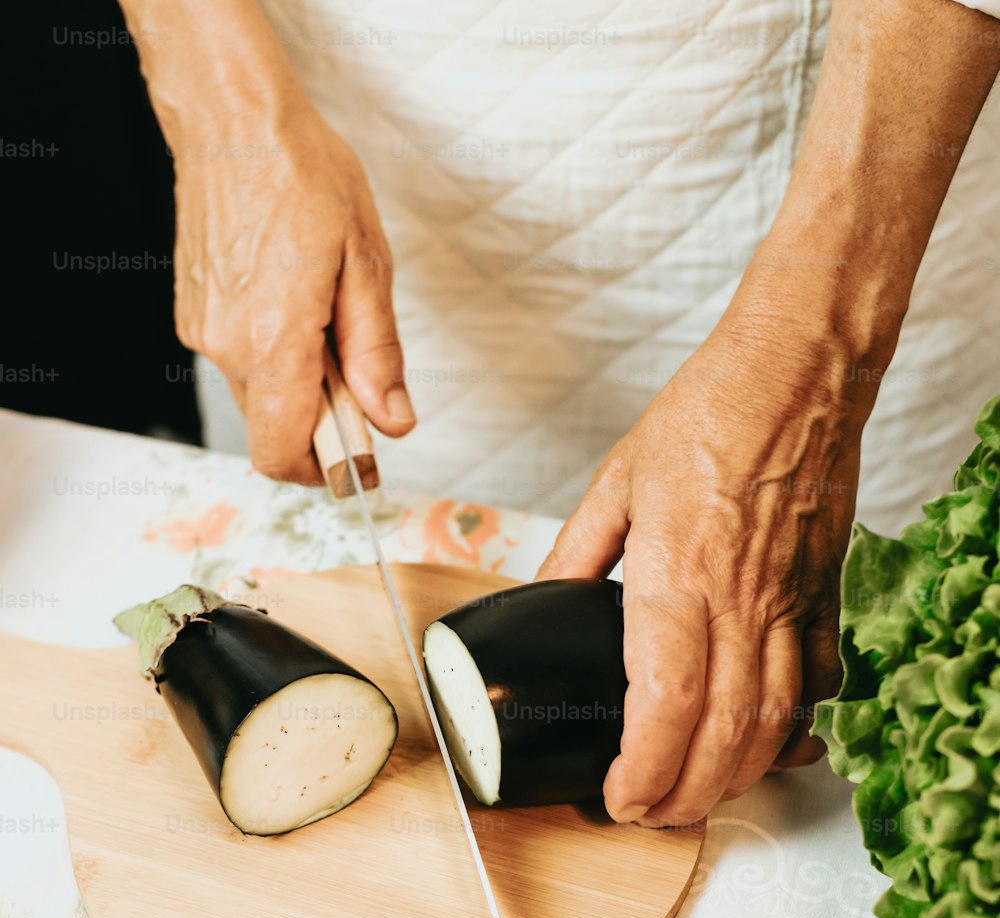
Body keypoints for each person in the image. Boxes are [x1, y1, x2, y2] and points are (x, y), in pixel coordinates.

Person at [120, 0, 1000, 826]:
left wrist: (815, 349)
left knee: (814, 737)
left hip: (851, 183)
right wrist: (223, 111)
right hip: (348, 156)